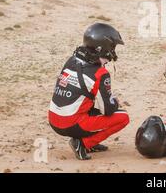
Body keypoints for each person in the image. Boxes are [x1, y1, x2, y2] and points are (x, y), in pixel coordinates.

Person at [48, 23, 130, 160]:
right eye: (112, 47)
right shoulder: (100, 73)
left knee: (88, 102)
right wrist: (115, 101)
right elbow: (108, 110)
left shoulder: (72, 60)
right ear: (102, 47)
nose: (113, 51)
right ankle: (83, 143)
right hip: (70, 122)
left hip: (53, 119)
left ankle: (90, 141)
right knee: (122, 117)